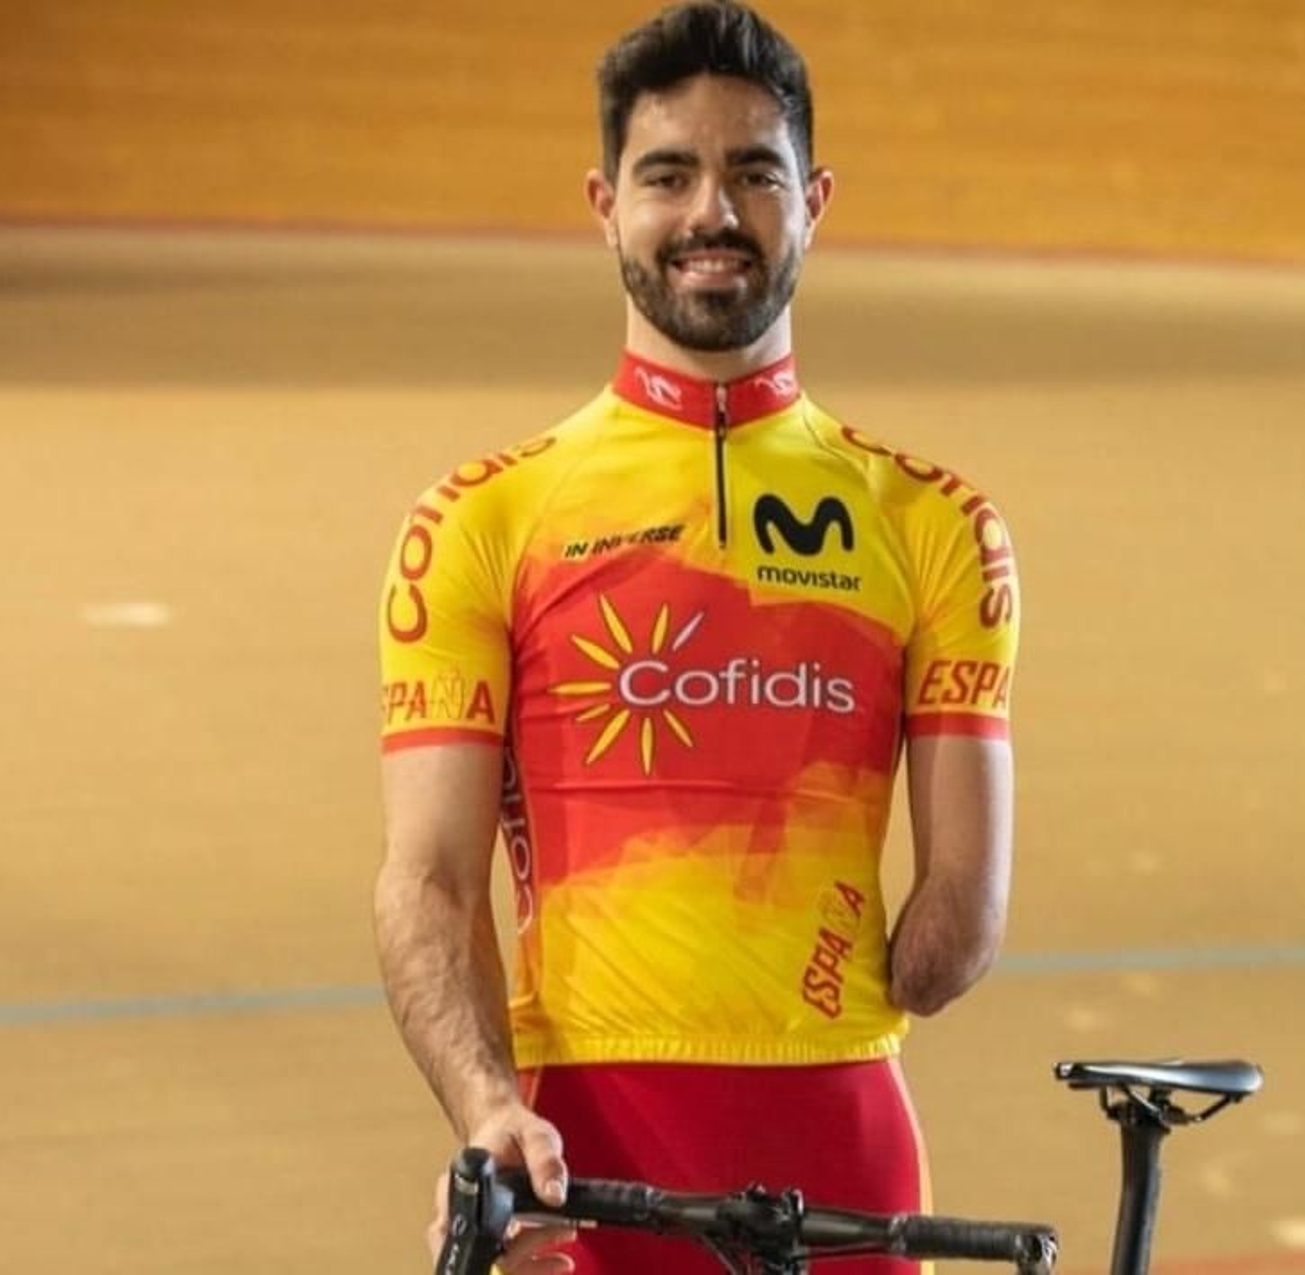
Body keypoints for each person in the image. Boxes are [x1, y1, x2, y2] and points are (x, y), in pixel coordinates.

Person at [375, 3, 1020, 1271]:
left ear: (815, 199)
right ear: (604, 202)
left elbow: (953, 938)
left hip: (815, 1132)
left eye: (754, 174)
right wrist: (484, 1110)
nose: (710, 213)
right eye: (668, 174)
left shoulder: (940, 524)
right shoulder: (479, 520)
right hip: (582, 1163)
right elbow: (427, 883)